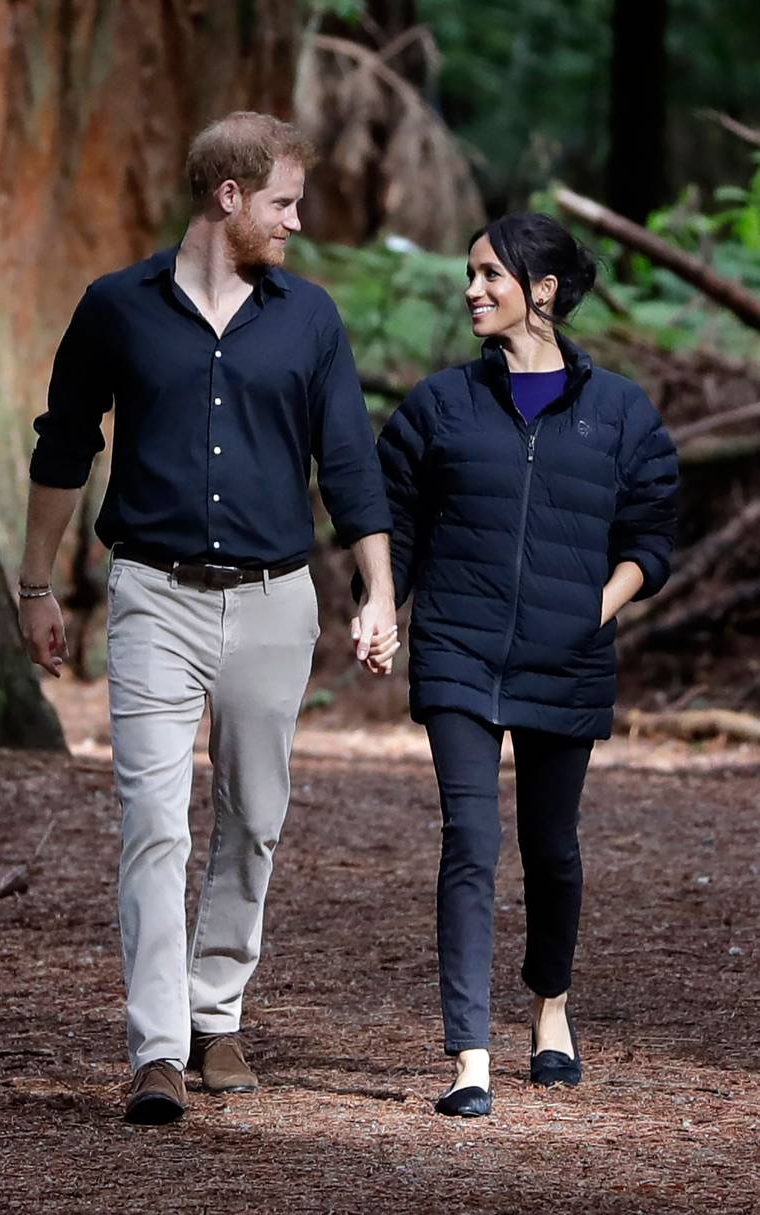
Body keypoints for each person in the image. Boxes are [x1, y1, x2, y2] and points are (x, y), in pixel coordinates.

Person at [18, 111, 396, 1125]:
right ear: (228, 198)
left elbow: (350, 461)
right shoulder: (115, 309)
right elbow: (62, 448)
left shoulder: (307, 318)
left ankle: (213, 1013)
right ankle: (154, 1051)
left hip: (276, 600)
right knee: (150, 823)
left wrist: (379, 591)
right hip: (153, 595)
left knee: (253, 819)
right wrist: (33, 583)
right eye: (284, 203)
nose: (299, 222)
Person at [360, 212, 678, 1117]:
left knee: (552, 846)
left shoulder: (619, 411)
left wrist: (596, 606)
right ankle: (469, 1051)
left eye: (490, 275)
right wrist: (383, 602)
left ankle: (551, 1006)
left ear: (542, 291)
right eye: (470, 273)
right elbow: (396, 518)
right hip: (459, 646)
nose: (473, 289)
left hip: (566, 656)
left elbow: (651, 536)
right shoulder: (439, 405)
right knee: (470, 840)